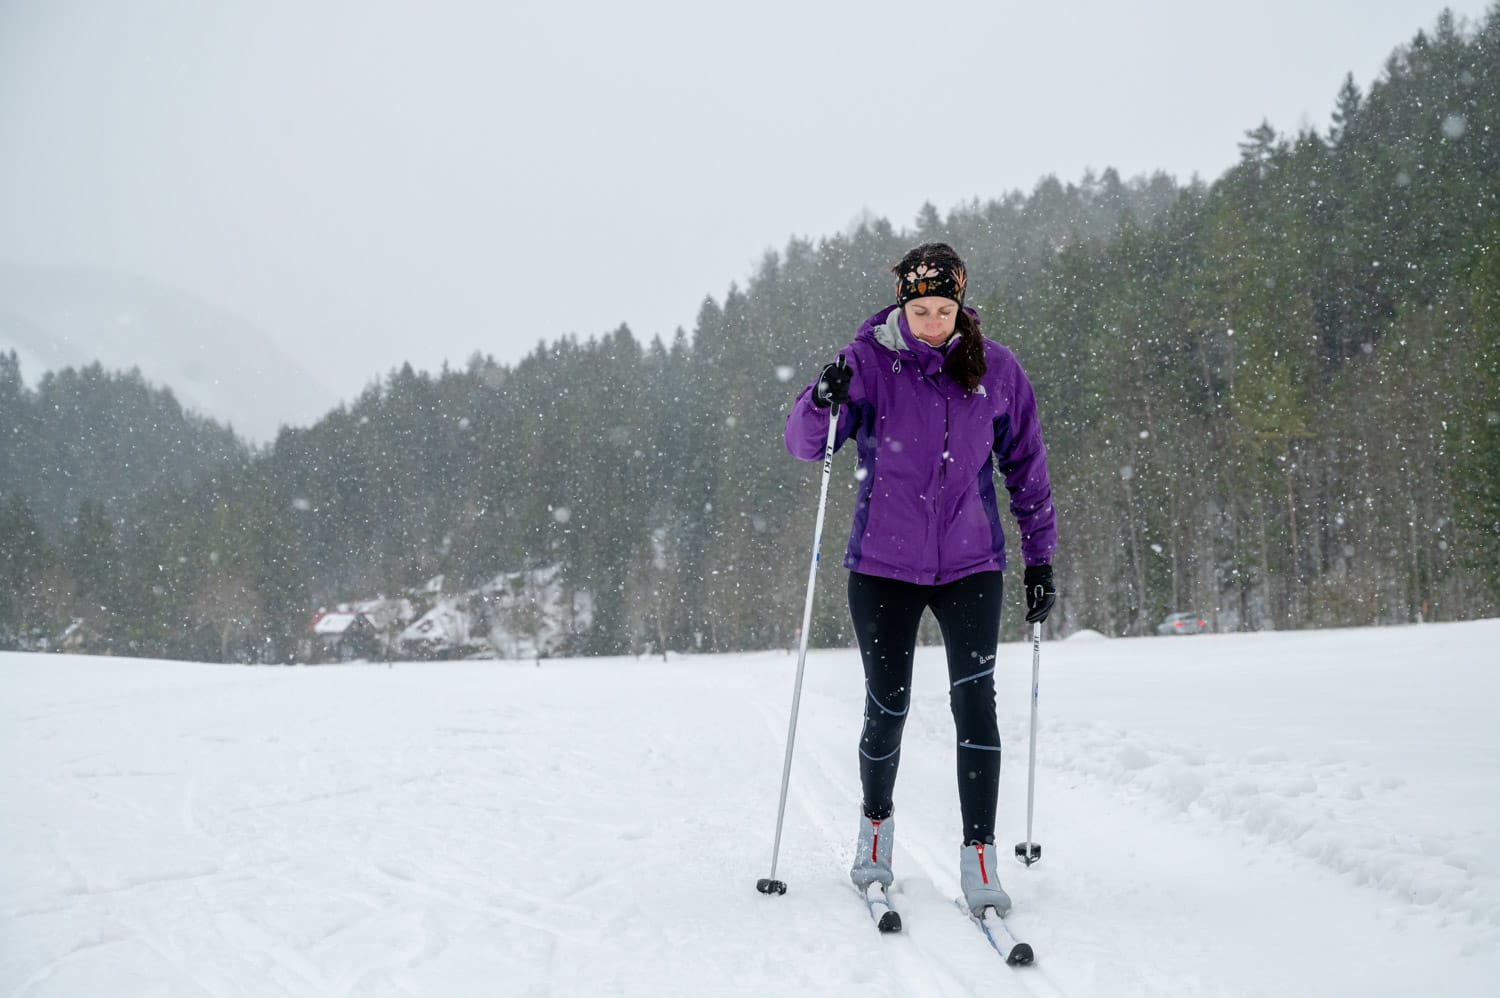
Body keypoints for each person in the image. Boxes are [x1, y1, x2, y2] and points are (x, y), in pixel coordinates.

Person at [783, 242, 1057, 916]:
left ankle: (980, 854)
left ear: (961, 307)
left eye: (943, 309)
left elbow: (1027, 469)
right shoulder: (869, 361)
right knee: (889, 705)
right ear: (902, 305)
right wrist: (820, 400)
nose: (932, 322)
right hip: (883, 568)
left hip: (971, 565)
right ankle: (875, 833)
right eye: (921, 309)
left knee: (976, 704)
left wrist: (1041, 557)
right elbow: (804, 443)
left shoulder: (997, 370)